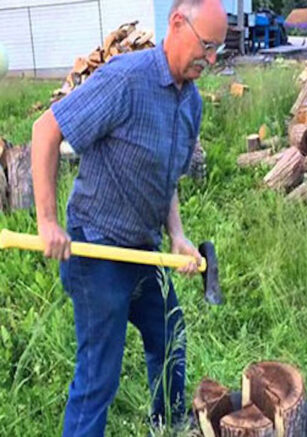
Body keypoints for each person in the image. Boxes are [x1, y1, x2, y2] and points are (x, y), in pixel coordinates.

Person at [29, 1, 227, 435]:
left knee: (170, 339)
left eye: (218, 51)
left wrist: (176, 235)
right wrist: (47, 221)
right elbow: (45, 129)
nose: (211, 60)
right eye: (207, 47)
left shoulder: (189, 103)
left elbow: (167, 175)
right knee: (100, 375)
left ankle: (168, 425)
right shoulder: (125, 79)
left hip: (143, 252)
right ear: (178, 23)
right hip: (95, 249)